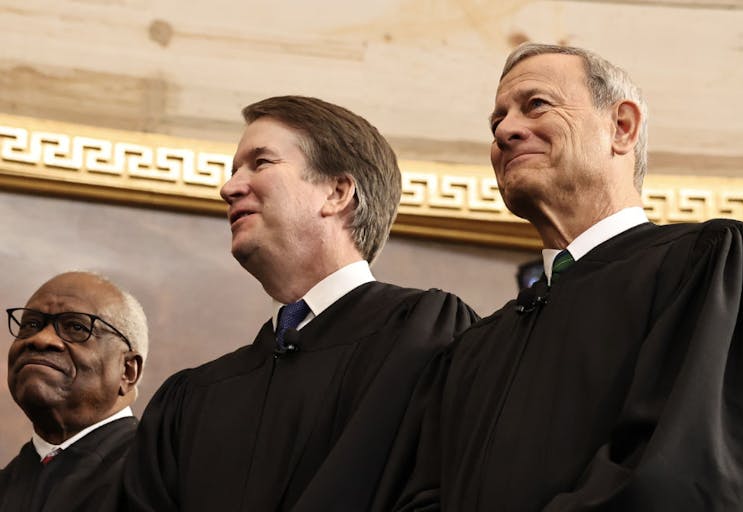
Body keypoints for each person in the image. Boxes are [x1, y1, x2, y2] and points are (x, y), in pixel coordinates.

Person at [374, 43, 743, 511]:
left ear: (621, 127)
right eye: (496, 121)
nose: (505, 131)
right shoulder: (474, 348)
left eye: (535, 104)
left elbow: (684, 475)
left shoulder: (704, 265)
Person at [118, 95, 478, 511]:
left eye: (261, 162)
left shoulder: (428, 337)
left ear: (338, 192)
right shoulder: (191, 400)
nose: (229, 188)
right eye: (234, 170)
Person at [0, 271, 148, 512]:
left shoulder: (164, 476)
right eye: (30, 325)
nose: (41, 339)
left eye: (76, 327)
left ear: (127, 370)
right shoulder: (7, 484)